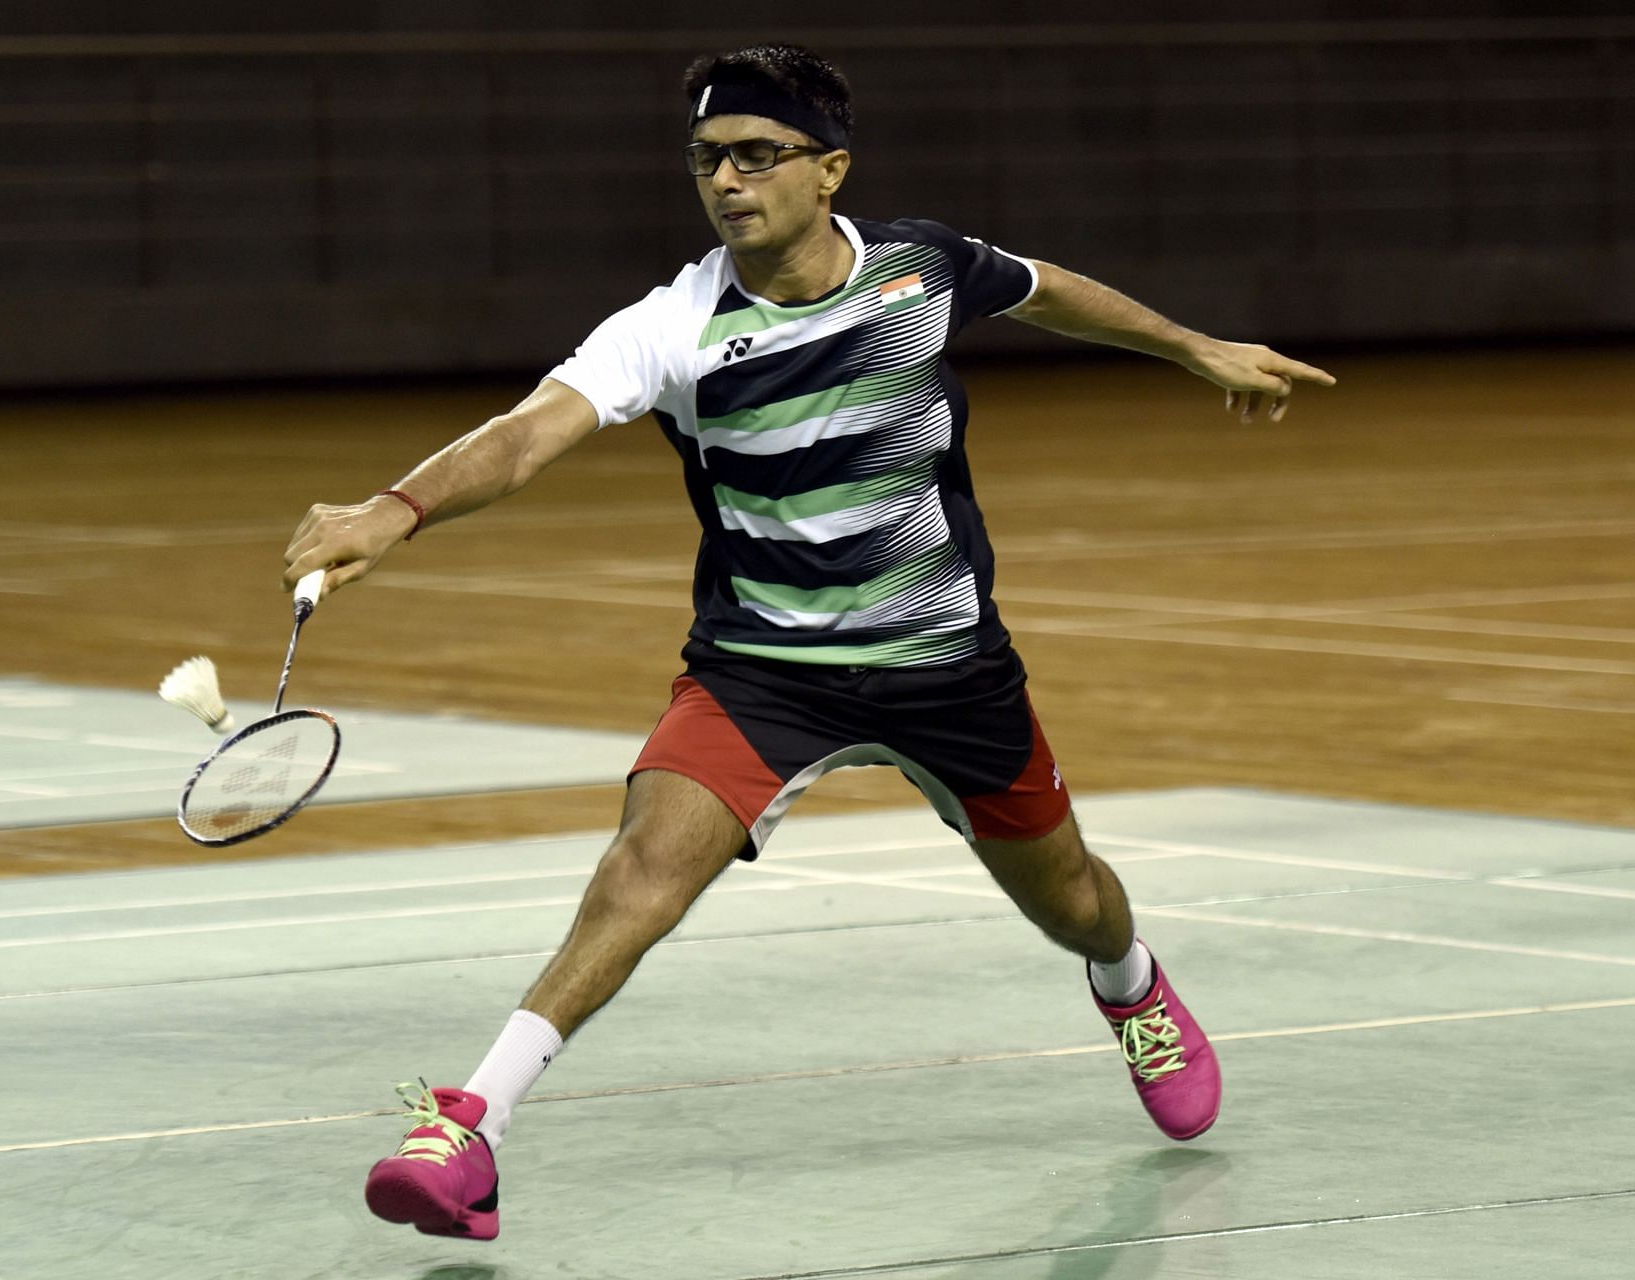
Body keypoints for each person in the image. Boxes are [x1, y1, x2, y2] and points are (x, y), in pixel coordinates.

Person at [282, 43, 1334, 1242]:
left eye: (756, 155)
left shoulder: (920, 270)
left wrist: (1194, 347)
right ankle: (472, 1125)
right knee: (642, 869)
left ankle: (1129, 983)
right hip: (764, 670)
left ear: (829, 169)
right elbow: (528, 434)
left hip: (946, 663)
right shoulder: (673, 324)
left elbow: (1048, 288)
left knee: (1077, 903)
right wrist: (395, 509)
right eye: (706, 159)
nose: (728, 180)